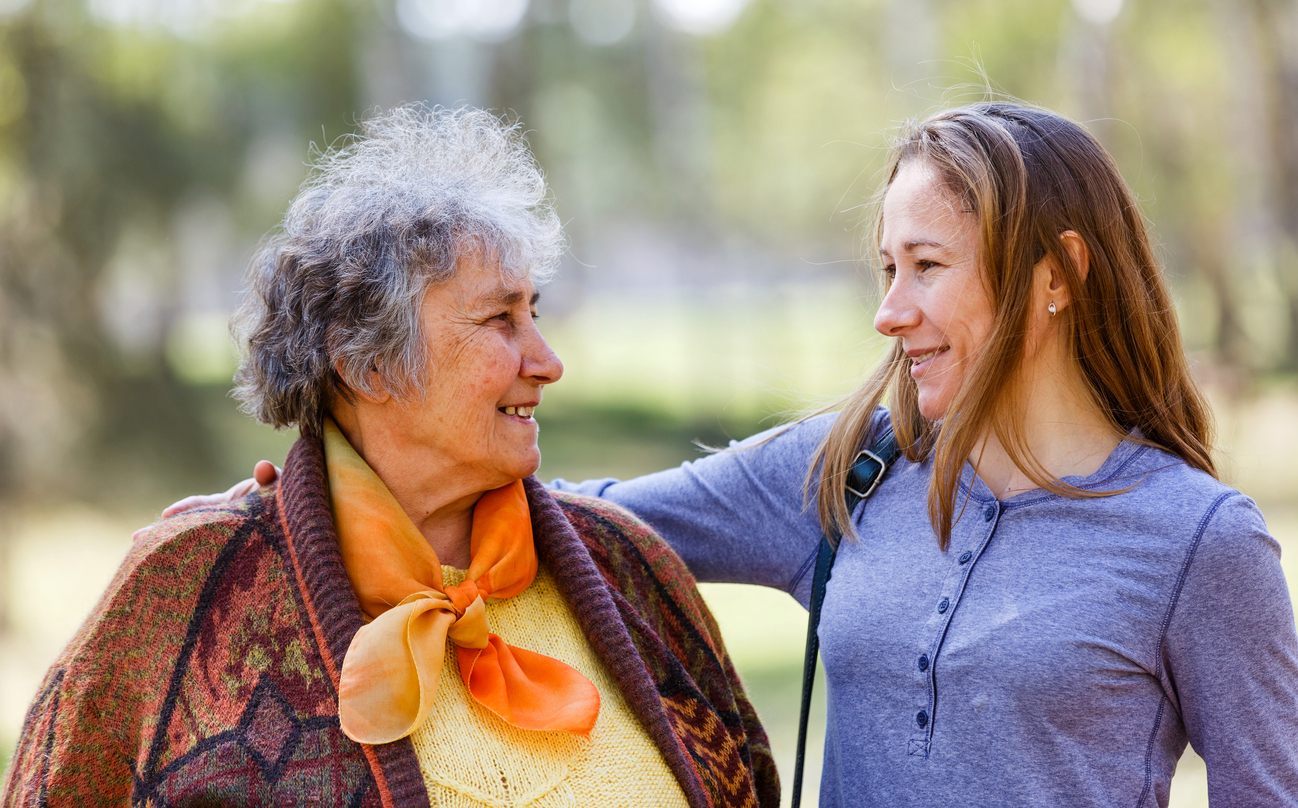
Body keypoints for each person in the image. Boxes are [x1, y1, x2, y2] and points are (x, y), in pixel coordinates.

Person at [137, 102, 1298, 806]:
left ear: (1058, 276)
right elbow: (578, 522)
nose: (890, 311)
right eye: (882, 269)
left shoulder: (1196, 543)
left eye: (927, 267)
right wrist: (274, 520)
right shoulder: (851, 466)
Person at [0, 105, 777, 808]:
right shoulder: (185, 588)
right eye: (499, 320)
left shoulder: (631, 570)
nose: (546, 360)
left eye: (533, 312)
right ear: (368, 365)